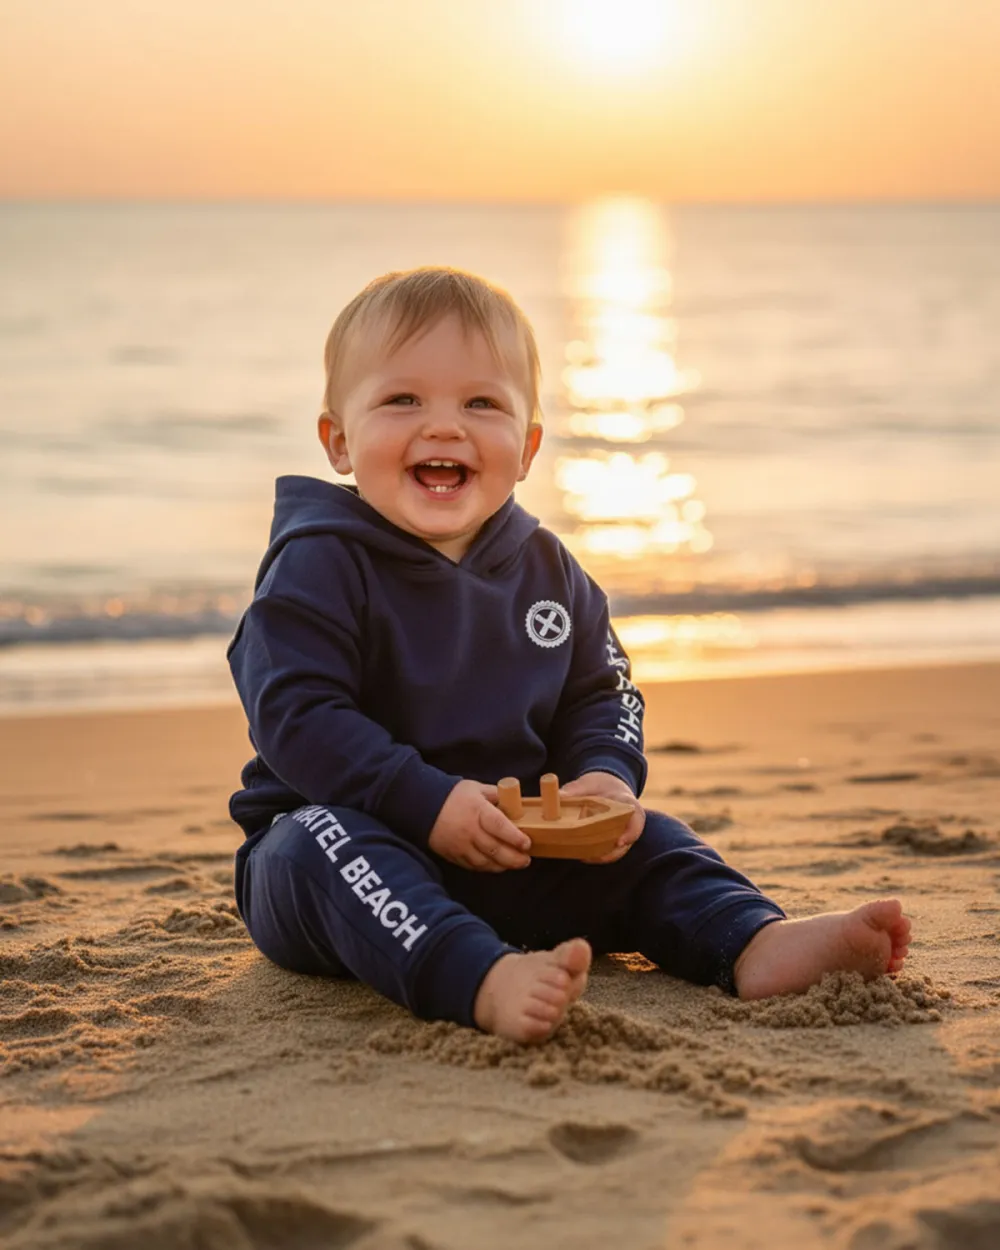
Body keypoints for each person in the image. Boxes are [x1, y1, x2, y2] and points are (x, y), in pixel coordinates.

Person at [227, 267, 911, 1043]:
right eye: (402, 399)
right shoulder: (317, 563)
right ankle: (477, 976)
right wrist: (428, 803)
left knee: (653, 840)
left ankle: (751, 940)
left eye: (480, 403)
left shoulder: (550, 571)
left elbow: (604, 691)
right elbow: (295, 716)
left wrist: (603, 776)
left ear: (526, 447)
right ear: (339, 441)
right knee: (323, 845)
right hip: (344, 857)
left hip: (520, 850)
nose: (444, 427)